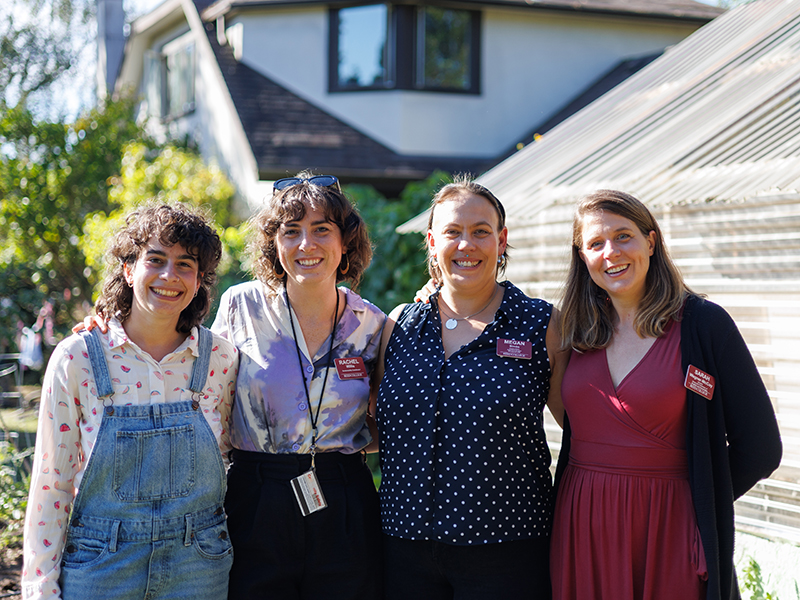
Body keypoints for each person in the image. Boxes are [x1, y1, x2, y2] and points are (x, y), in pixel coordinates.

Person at [550, 189, 782, 600]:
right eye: (595, 243)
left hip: (669, 528)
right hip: (580, 526)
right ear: (582, 256)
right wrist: (436, 292)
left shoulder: (703, 325)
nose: (611, 252)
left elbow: (761, 448)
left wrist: (703, 504)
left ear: (651, 241)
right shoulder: (573, 330)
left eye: (624, 236)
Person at [22, 202, 238, 600]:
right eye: (155, 259)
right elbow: (52, 482)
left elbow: (231, 459)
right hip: (101, 565)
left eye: (185, 264)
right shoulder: (79, 358)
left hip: (198, 566)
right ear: (128, 268)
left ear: (200, 280)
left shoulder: (221, 360)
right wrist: (40, 587)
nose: (169, 276)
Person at [374, 176, 567, 599]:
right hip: (405, 546)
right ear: (431, 241)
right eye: (452, 232)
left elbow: (581, 428)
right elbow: (373, 428)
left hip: (507, 548)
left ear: (501, 240)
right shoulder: (401, 324)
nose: (467, 245)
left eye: (481, 232)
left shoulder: (539, 323)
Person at [210, 172, 385, 599]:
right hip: (257, 494)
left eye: (321, 229)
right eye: (292, 232)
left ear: (344, 243)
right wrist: (112, 327)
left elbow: (388, 419)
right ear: (275, 244)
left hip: (343, 494)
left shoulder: (373, 325)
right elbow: (195, 380)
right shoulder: (241, 306)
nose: (306, 245)